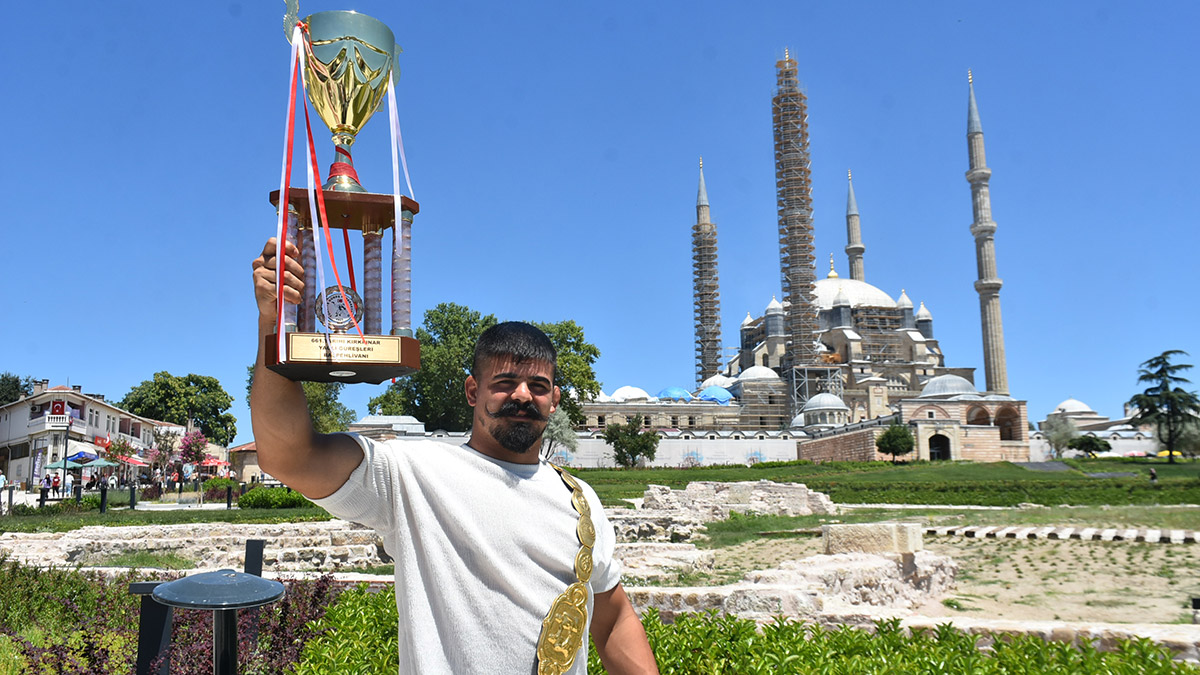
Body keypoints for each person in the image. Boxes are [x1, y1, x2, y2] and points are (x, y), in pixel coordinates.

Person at [251, 238, 658, 674]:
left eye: (538, 387)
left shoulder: (581, 501)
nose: (523, 396)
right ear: (472, 391)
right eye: (504, 383)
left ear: (554, 401)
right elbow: (290, 457)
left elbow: (613, 619)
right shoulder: (414, 473)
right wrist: (274, 323)